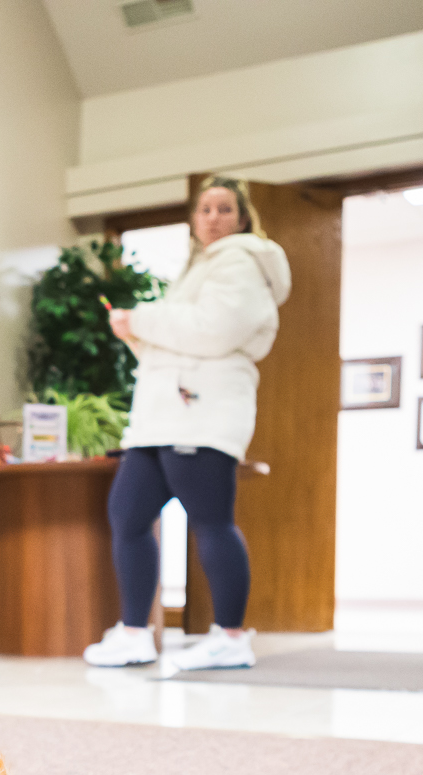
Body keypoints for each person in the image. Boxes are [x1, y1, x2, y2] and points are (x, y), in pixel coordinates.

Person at [82, 175, 290, 671]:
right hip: (162, 414)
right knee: (128, 515)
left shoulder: (241, 260)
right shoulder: (199, 267)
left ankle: (232, 636)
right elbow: (180, 337)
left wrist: (142, 319)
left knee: (211, 519)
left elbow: (215, 331)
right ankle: (135, 632)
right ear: (194, 220)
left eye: (224, 209)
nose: (213, 218)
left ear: (242, 218)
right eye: (205, 209)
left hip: (203, 409)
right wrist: (133, 330)